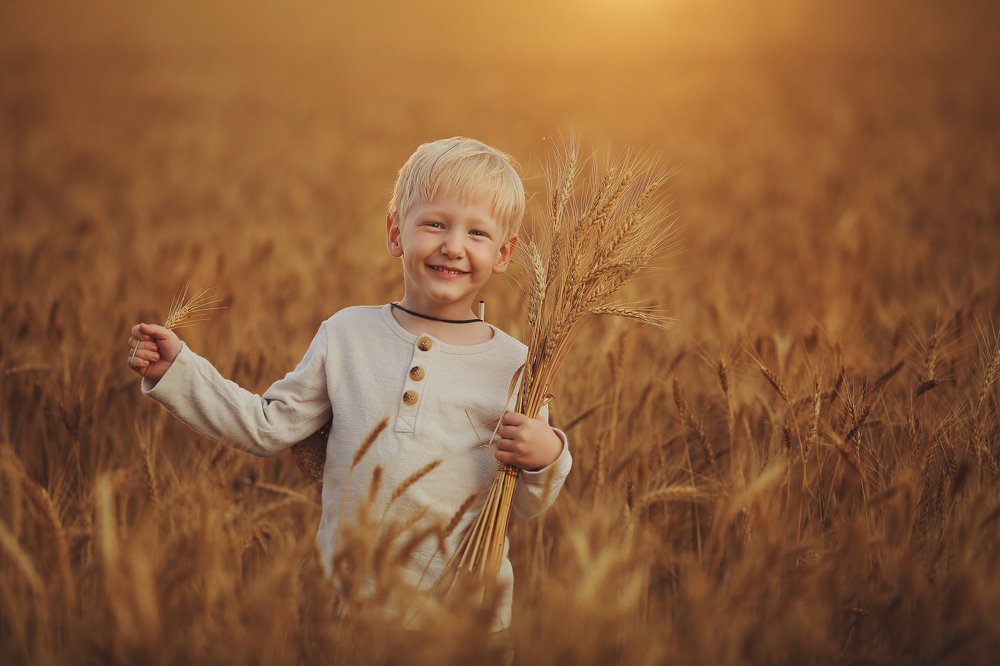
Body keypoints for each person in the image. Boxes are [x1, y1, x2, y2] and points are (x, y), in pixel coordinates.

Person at [126, 137, 573, 632]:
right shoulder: (347, 335)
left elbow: (525, 506)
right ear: (395, 232)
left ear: (505, 252)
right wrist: (179, 371)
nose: (453, 245)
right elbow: (267, 426)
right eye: (435, 224)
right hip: (347, 610)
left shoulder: (515, 365)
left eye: (478, 233)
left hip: (465, 624)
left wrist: (548, 454)